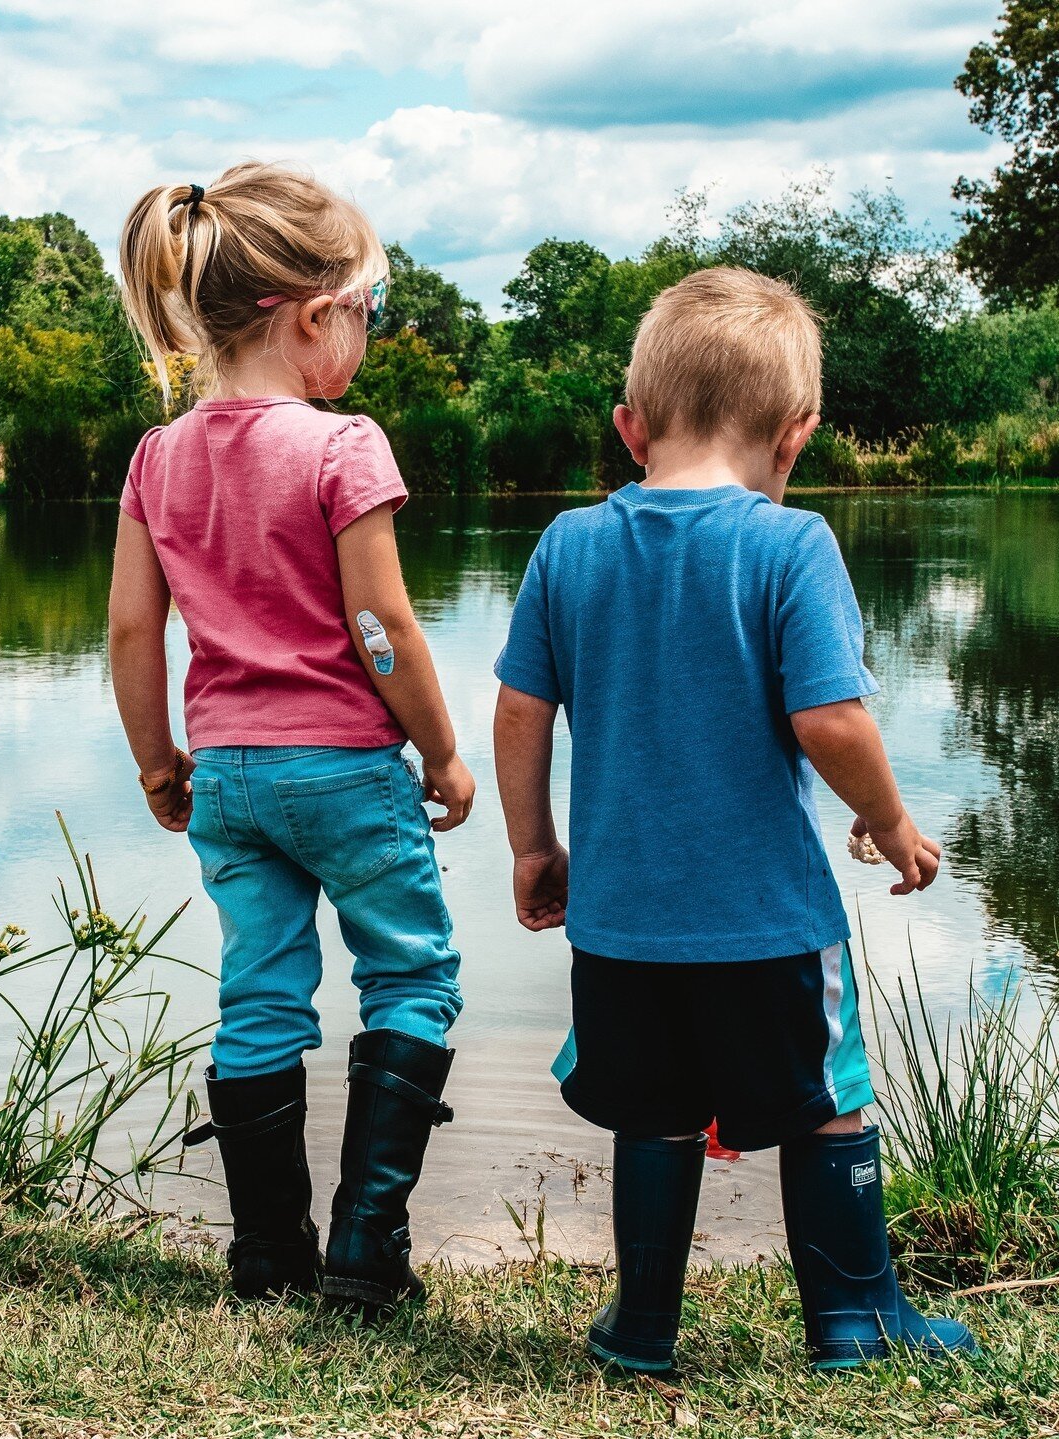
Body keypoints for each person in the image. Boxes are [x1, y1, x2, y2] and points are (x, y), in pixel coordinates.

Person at [492, 267, 976, 1370]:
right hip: (765, 920)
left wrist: (532, 845)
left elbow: (520, 708)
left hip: (618, 923)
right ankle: (853, 1318)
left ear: (629, 427)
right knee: (827, 1101)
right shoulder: (787, 544)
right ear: (795, 433)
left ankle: (641, 1326)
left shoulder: (567, 545)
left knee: (652, 1112)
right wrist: (890, 823)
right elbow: (831, 718)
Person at [109, 162, 473, 1313]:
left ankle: (267, 1256)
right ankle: (367, 1254)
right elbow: (380, 622)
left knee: (260, 994)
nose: (365, 336)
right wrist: (445, 750)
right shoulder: (339, 445)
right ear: (313, 316)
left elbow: (130, 626)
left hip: (226, 776)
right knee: (409, 974)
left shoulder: (158, 455)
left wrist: (156, 761)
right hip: (345, 770)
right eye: (365, 312)